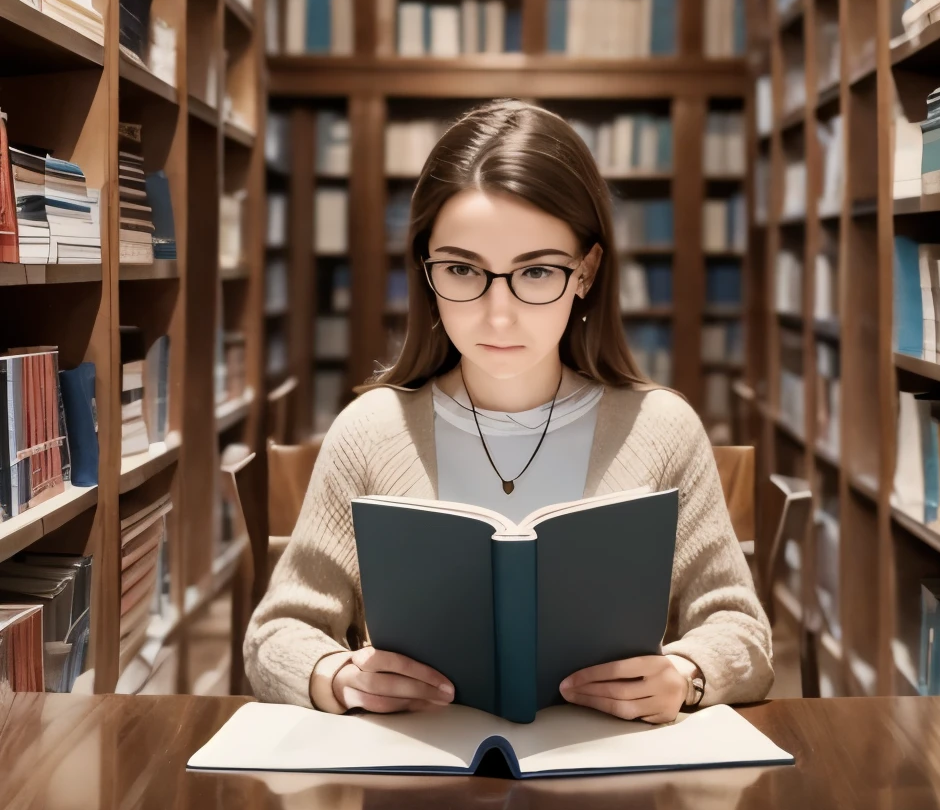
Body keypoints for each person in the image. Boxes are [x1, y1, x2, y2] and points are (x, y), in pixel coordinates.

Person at [244, 100, 772, 720]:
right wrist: (336, 675)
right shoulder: (370, 431)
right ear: (425, 267)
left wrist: (687, 675)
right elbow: (275, 636)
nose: (498, 315)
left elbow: (743, 633)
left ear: (587, 271)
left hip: (610, 781)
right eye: (463, 269)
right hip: (417, 781)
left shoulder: (661, 430)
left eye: (538, 272)